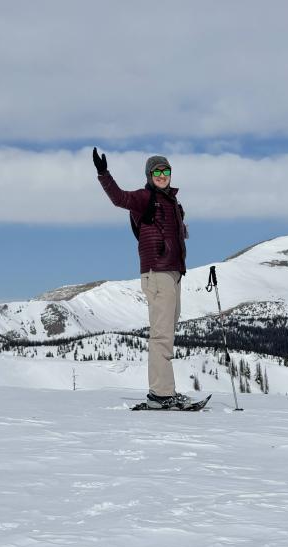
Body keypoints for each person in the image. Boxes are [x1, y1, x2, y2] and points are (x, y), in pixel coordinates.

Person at [93, 148, 192, 409]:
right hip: (157, 272)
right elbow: (118, 198)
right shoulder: (144, 197)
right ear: (149, 175)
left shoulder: (171, 202)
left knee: (167, 333)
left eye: (166, 171)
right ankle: (161, 394)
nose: (162, 175)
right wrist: (104, 174)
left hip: (172, 272)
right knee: (161, 335)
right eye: (157, 171)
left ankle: (164, 391)